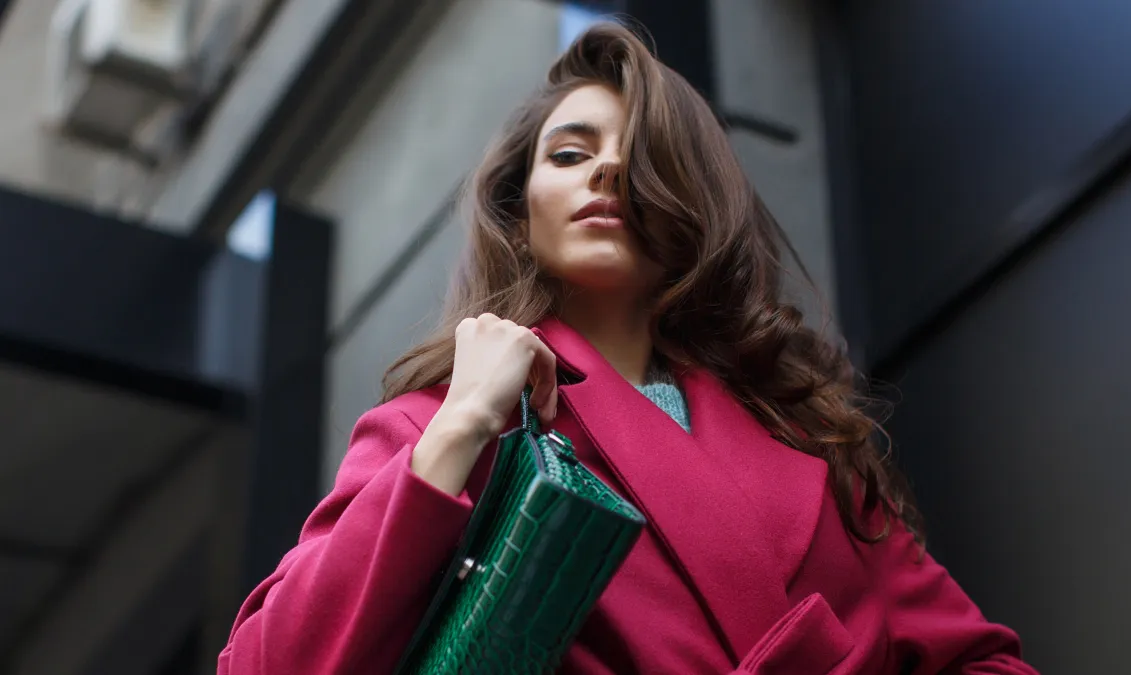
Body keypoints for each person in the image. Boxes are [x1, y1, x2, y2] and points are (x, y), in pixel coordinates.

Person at [218, 22, 1038, 675]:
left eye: (643, 158)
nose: (607, 171)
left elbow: (983, 659)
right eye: (570, 154)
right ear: (521, 209)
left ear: (693, 206)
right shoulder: (437, 426)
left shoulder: (808, 438)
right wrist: (464, 420)